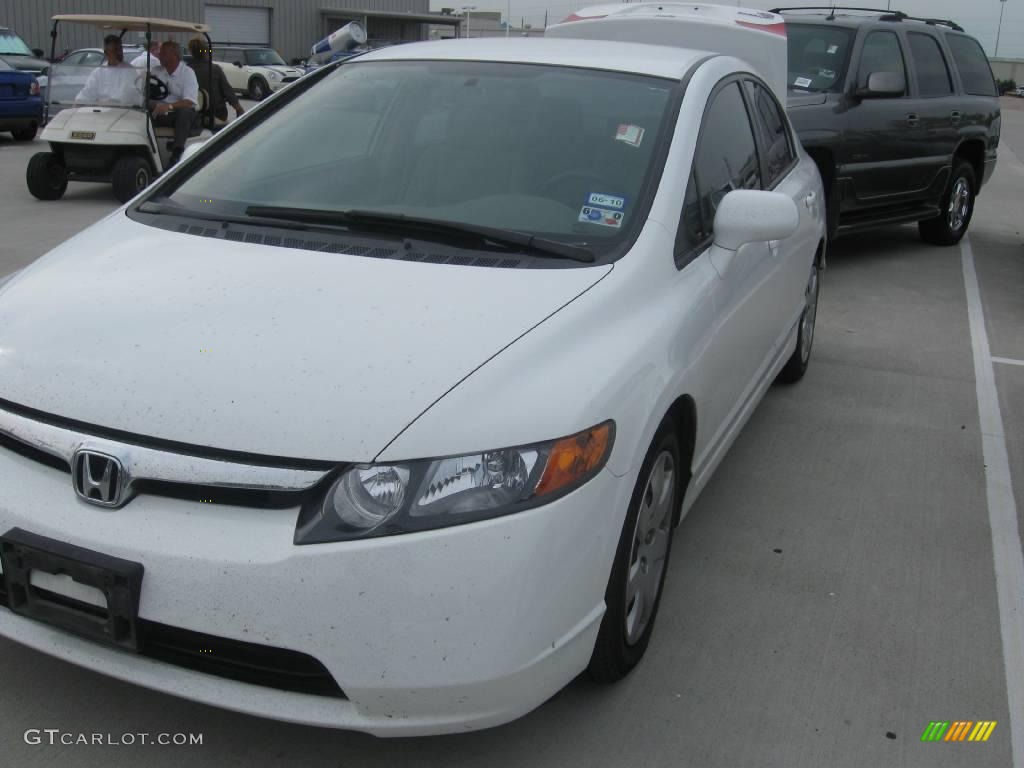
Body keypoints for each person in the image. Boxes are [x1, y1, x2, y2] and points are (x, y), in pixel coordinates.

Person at [151, 41, 199, 166]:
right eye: (160, 53)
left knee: (185, 113)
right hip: (159, 111)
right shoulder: (156, 71)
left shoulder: (188, 73)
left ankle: (177, 153)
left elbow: (189, 101)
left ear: (174, 55)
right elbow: (147, 92)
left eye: (163, 53)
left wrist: (169, 106)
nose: (159, 56)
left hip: (177, 112)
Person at [187, 38, 243, 128]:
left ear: (191, 52)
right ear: (206, 52)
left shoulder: (186, 70)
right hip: (216, 113)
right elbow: (228, 93)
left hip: (193, 113)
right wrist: (239, 109)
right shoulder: (215, 69)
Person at [74, 34, 140, 106]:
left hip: (121, 110)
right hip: (100, 110)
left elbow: (128, 92)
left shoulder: (129, 70)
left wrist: (110, 102)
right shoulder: (99, 71)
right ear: (106, 53)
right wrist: (78, 101)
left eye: (120, 49)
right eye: (115, 50)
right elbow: (88, 91)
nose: (119, 53)